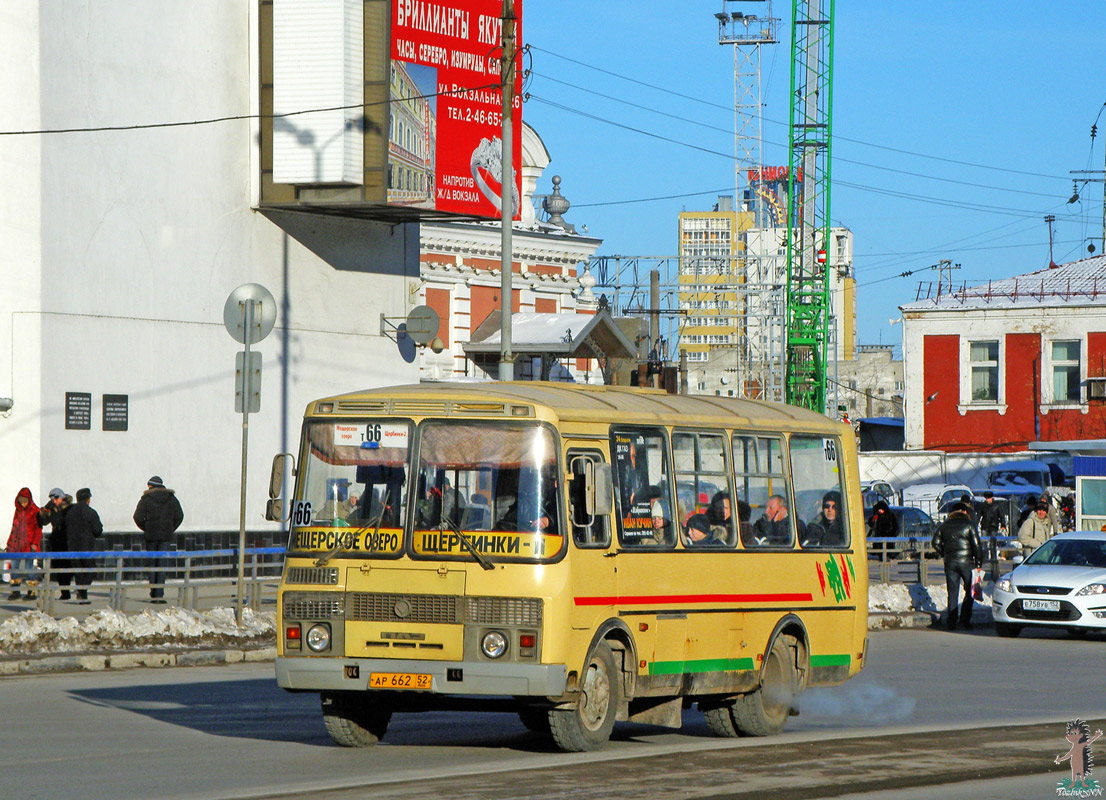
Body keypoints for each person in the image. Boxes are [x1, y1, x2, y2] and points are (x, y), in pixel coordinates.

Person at [931, 502, 982, 631]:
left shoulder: (945, 525)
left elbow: (935, 542)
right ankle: (965, 620)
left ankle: (951, 622)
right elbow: (977, 545)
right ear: (965, 512)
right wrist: (979, 562)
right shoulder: (969, 525)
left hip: (950, 563)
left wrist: (944, 553)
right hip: (967, 562)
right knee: (969, 591)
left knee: (952, 592)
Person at [133, 476, 184, 603]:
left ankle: (153, 593)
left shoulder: (146, 499)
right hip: (165, 537)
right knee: (162, 564)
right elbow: (179, 516)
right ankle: (160, 594)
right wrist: (170, 528)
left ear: (150, 486)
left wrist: (147, 528)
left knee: (152, 564)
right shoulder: (171, 498)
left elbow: (137, 517)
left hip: (151, 537)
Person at [65, 488, 103, 604]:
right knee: (90, 569)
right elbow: (98, 530)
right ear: (88, 499)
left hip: (72, 546)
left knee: (78, 571)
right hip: (86, 546)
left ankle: (82, 594)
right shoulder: (90, 512)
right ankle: (82, 591)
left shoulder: (69, 512)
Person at [6, 487, 43, 600]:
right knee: (14, 567)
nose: (23, 503)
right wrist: (10, 543)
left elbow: (38, 529)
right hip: (17, 543)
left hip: (29, 544)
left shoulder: (35, 510)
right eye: (21, 501)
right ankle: (15, 591)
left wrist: (34, 543)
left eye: (25, 501)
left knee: (29, 568)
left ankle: (31, 591)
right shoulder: (18, 511)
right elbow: (14, 527)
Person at [39, 488, 73, 600]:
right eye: (52, 499)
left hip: (67, 541)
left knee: (68, 567)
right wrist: (45, 510)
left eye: (56, 498)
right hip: (56, 541)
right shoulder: (53, 509)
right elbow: (43, 521)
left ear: (62, 497)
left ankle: (76, 590)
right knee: (58, 567)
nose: (54, 501)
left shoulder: (69, 508)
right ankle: (64, 592)